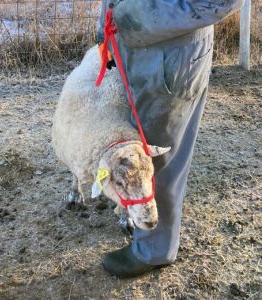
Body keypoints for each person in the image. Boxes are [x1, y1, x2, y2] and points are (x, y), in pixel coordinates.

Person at [97, 0, 245, 278]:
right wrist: (106, 28)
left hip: (169, 59)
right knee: (138, 143)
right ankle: (140, 218)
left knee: (158, 158)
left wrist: (129, 18)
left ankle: (153, 250)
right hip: (137, 49)